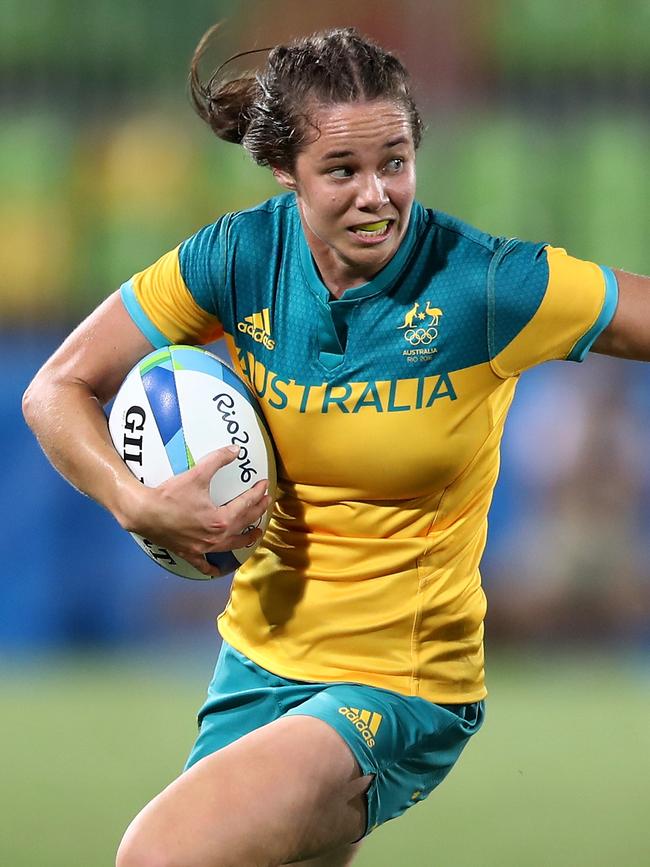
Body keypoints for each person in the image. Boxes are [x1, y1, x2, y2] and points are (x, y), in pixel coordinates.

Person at [22, 23, 649, 867]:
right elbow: (56, 389)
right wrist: (135, 502)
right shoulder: (240, 259)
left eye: (395, 161)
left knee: (159, 856)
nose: (377, 194)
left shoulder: (484, 284)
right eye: (342, 170)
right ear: (287, 170)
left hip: (399, 685)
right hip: (255, 666)